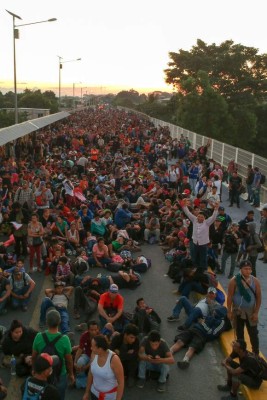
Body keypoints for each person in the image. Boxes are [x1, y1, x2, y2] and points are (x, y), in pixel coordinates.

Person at [32, 309, 75, 400]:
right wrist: (71, 374)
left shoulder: (39, 336)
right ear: (59, 322)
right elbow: (69, 360)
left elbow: (34, 356)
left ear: (47, 322)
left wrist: (34, 369)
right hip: (60, 375)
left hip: (42, 374)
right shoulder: (65, 339)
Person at [171, 305, 227, 369]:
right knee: (180, 340)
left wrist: (203, 324)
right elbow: (203, 320)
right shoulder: (211, 315)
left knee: (192, 347)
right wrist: (202, 322)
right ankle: (170, 352)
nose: (214, 311)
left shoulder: (221, 323)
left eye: (216, 311)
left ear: (219, 314)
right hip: (194, 329)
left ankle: (185, 360)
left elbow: (212, 333)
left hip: (202, 335)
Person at [227, 260, 261, 354]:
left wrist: (256, 312)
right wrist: (229, 311)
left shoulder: (255, 281)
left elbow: (259, 298)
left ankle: (256, 353)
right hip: (238, 311)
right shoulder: (234, 281)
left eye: (250, 269)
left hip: (251, 311)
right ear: (240, 269)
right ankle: (241, 352)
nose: (248, 271)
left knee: (253, 333)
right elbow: (229, 297)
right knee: (239, 333)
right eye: (245, 269)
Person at [82, 334, 124, 400]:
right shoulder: (94, 354)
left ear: (100, 348)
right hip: (94, 394)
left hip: (110, 397)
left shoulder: (114, 359)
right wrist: (87, 392)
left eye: (93, 346)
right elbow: (90, 373)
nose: (91, 348)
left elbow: (121, 382)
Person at [181, 198, 219, 270]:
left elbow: (214, 217)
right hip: (195, 242)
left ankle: (203, 270)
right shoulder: (194, 219)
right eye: (199, 216)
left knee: (203, 258)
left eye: (202, 217)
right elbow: (188, 213)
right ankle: (195, 268)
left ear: (204, 218)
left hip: (203, 244)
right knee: (194, 257)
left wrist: (216, 209)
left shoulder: (207, 222)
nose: (200, 218)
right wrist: (184, 206)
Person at [110, 324, 139, 388]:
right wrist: (127, 354)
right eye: (131, 337)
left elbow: (134, 355)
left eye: (134, 337)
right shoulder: (117, 338)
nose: (133, 340)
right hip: (118, 362)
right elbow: (110, 351)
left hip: (128, 362)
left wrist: (120, 353)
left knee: (134, 361)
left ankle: (130, 377)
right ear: (125, 335)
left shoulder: (136, 341)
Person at [74, 321, 100, 389]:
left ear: (98, 329)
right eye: (92, 330)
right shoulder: (84, 336)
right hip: (87, 355)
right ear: (88, 330)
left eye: (95, 330)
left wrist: (87, 366)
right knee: (80, 363)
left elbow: (95, 355)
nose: (94, 332)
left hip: (98, 357)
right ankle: (82, 381)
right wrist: (75, 362)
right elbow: (80, 349)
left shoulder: (100, 338)